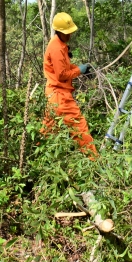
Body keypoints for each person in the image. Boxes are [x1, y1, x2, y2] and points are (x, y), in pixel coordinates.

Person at [42, 12, 97, 157]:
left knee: (49, 129)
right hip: (60, 95)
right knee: (79, 125)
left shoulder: (59, 44)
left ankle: (38, 158)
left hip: (53, 94)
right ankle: (93, 160)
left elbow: (63, 67)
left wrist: (78, 68)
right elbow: (61, 75)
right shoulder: (56, 48)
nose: (70, 35)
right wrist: (79, 70)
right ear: (59, 31)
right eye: (67, 33)